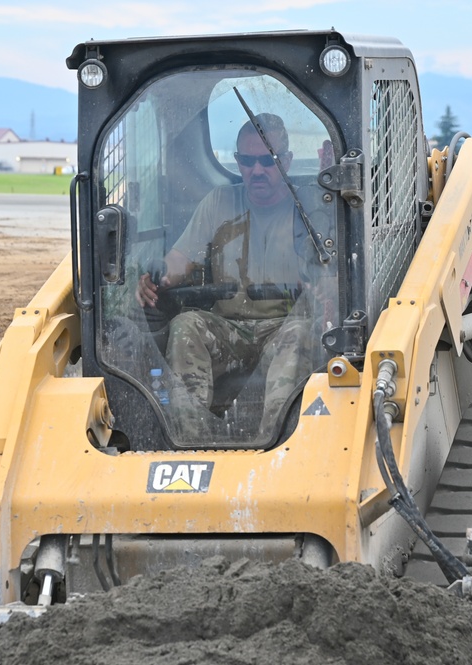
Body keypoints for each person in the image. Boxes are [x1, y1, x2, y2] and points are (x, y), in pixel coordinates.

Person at [136, 113, 332, 437]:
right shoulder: (219, 202)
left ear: (287, 160)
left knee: (299, 334)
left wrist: (322, 288)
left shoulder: (310, 209)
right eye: (247, 160)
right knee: (185, 325)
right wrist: (158, 276)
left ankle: (274, 446)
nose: (256, 170)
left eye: (267, 161)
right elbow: (180, 260)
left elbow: (331, 279)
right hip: (229, 332)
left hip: (284, 330)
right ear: (238, 161)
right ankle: (193, 444)